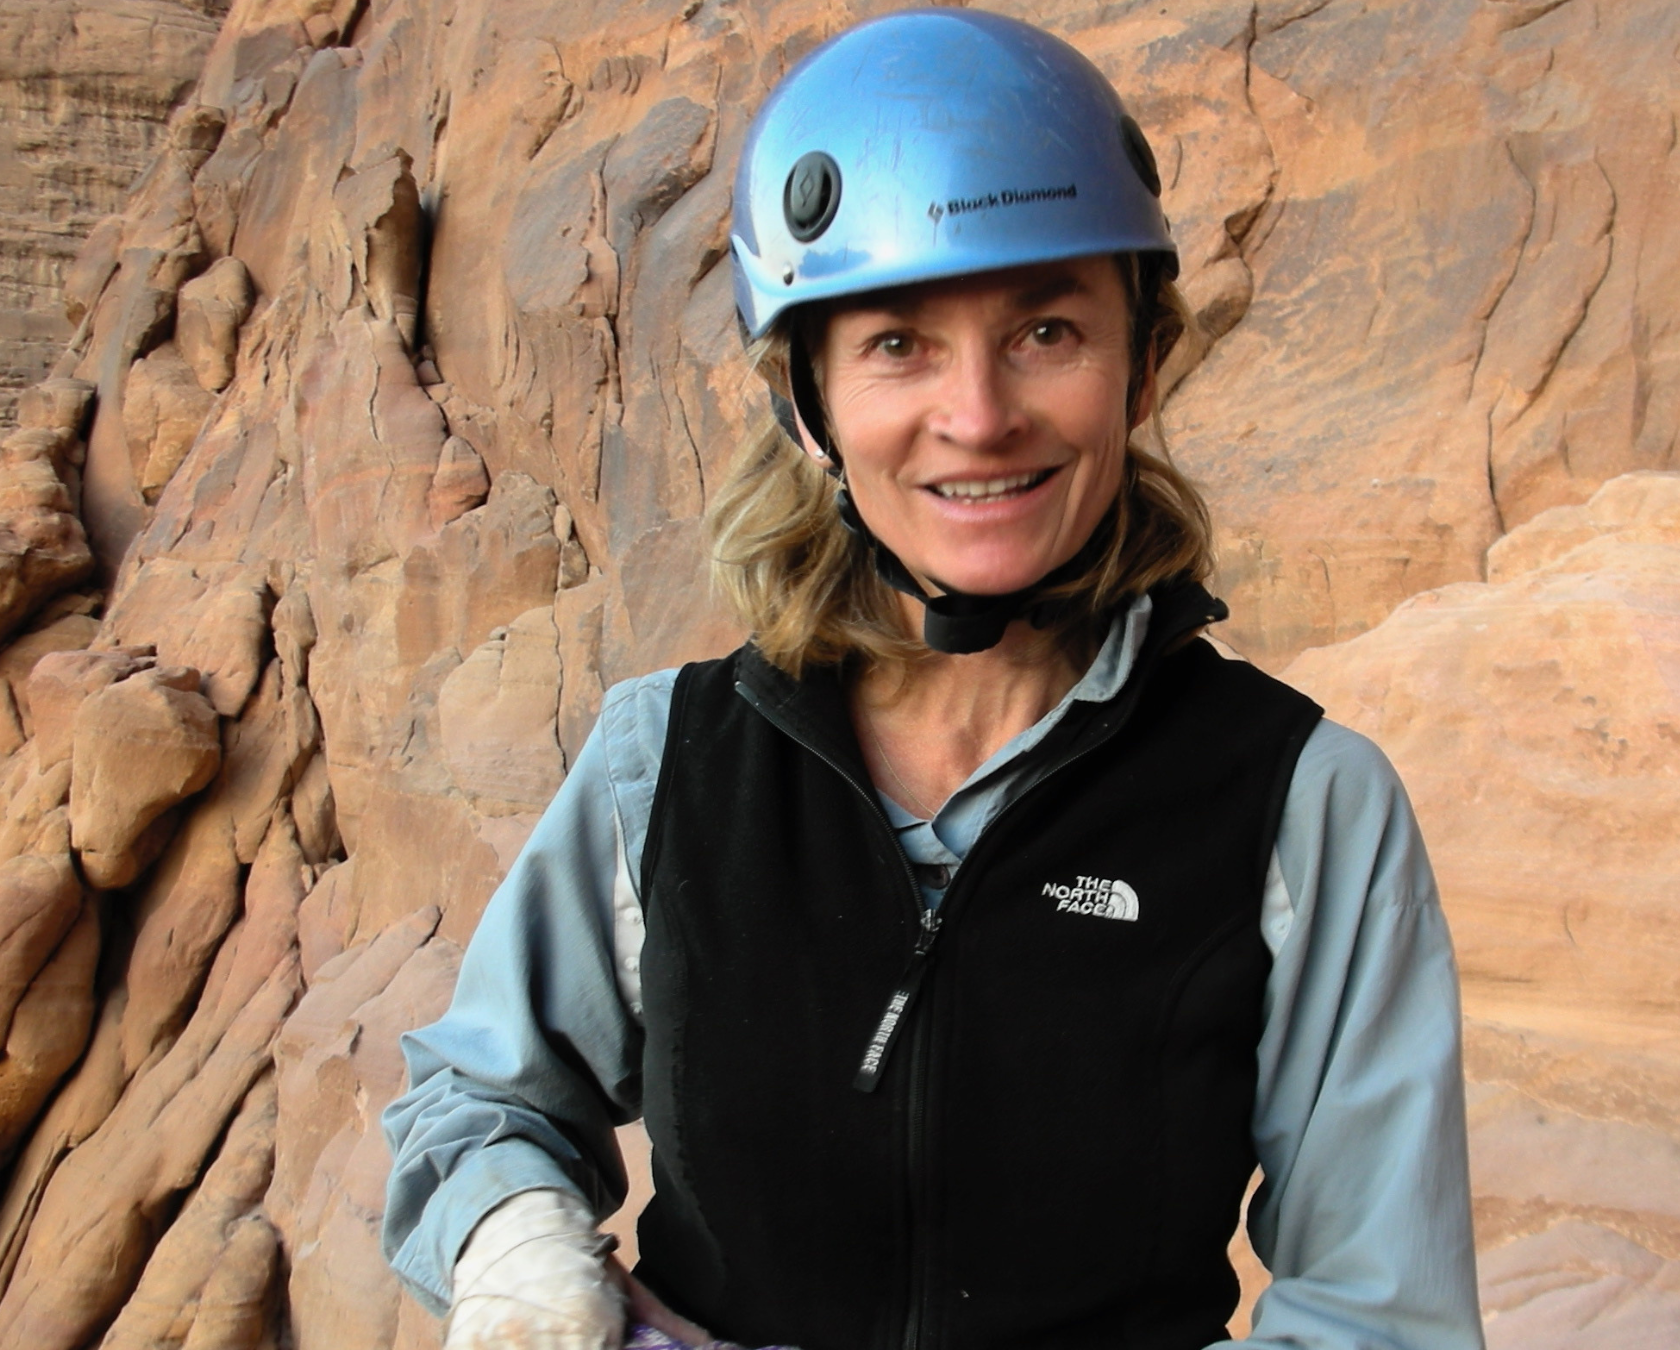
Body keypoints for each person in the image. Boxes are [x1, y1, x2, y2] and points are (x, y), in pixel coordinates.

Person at [381, 11, 1483, 1350]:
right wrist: (517, 1250)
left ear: (1140, 363)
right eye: (898, 342)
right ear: (808, 402)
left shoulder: (1302, 806)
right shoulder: (665, 766)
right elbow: (480, 1100)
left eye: (1047, 331)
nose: (979, 414)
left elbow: (1380, 1318)